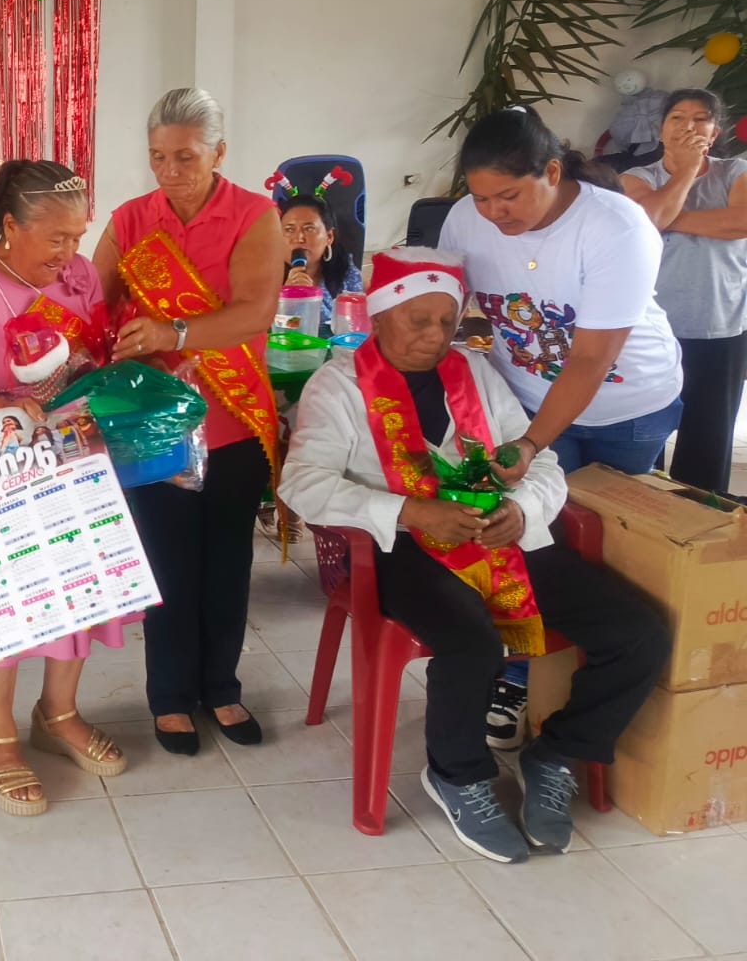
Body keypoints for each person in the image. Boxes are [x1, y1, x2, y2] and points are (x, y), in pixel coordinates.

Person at [279, 248, 667, 863]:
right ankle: (457, 775)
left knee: (638, 632)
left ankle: (559, 752)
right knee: (472, 643)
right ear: (378, 317)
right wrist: (409, 512)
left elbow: (536, 460)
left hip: (496, 536)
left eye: (446, 321)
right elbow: (301, 483)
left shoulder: (475, 373)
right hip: (400, 549)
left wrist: (523, 510)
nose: (436, 337)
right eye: (418, 321)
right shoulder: (339, 383)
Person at [440, 105, 681, 749]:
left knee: (607, 546)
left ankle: (599, 674)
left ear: (552, 172)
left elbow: (591, 359)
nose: (494, 213)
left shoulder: (615, 227)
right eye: (481, 197)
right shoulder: (465, 219)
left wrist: (530, 443)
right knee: (529, 541)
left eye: (509, 196)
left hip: (626, 408)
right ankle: (520, 675)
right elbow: (454, 309)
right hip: (528, 400)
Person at [0, 159, 128, 817]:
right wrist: (6, 410)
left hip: (72, 454)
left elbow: (88, 351)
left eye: (78, 236)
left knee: (79, 588)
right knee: (7, 602)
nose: (70, 253)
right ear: (10, 227)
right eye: (56, 238)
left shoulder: (78, 275)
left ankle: (58, 714)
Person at [94, 89, 286, 755]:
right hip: (155, 425)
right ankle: (171, 697)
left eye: (185, 157)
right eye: (158, 157)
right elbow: (94, 306)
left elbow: (255, 312)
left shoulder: (254, 215)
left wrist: (172, 332)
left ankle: (222, 688)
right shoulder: (130, 219)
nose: (169, 171)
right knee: (167, 563)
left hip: (232, 417)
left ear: (219, 153)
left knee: (227, 561)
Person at [621, 89, 747, 494]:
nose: (688, 126)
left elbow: (740, 223)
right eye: (677, 117)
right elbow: (648, 216)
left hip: (721, 325)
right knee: (644, 436)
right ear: (661, 130)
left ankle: (701, 517)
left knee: (709, 440)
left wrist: (666, 218)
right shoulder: (636, 178)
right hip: (652, 333)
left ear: (715, 132)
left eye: (700, 118)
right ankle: (643, 513)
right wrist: (686, 172)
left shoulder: (737, 171)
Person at [278, 194, 363, 334]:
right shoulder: (264, 279)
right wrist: (288, 301)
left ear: (329, 237)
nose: (299, 238)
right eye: (289, 229)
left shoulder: (346, 274)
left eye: (309, 229)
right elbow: (261, 332)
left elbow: (366, 323)